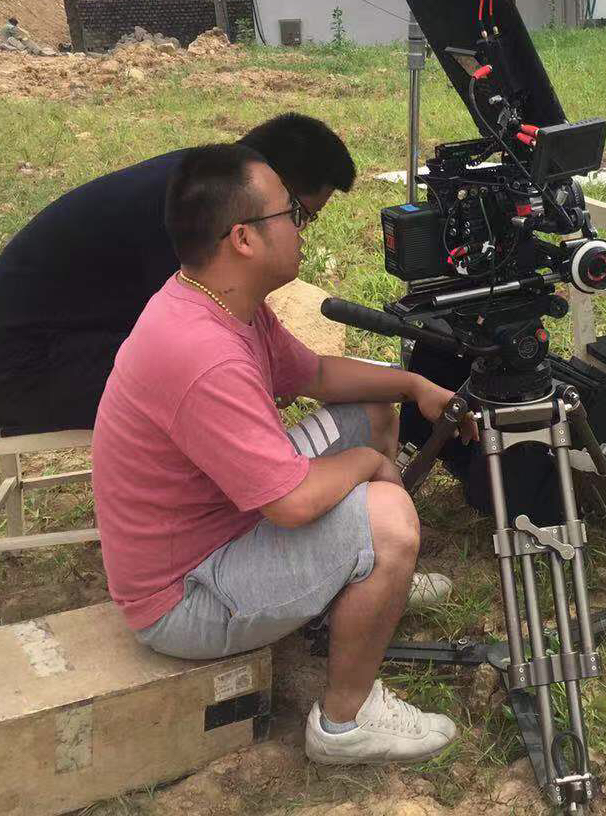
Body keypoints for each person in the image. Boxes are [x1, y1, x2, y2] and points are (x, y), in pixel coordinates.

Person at [94, 143, 472, 763]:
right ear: (243, 238)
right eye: (291, 213)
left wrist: (411, 385)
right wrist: (371, 466)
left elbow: (316, 374)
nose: (302, 225)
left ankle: (363, 587)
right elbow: (291, 504)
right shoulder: (204, 356)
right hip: (186, 595)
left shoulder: (218, 300)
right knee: (389, 520)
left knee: (374, 410)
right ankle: (345, 722)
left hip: (225, 520)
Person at [0, 113, 355, 432]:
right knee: (207, 384)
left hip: (51, 338)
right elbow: (194, 337)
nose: (300, 230)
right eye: (300, 214)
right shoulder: (191, 214)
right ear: (272, 186)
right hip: (20, 366)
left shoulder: (199, 181)